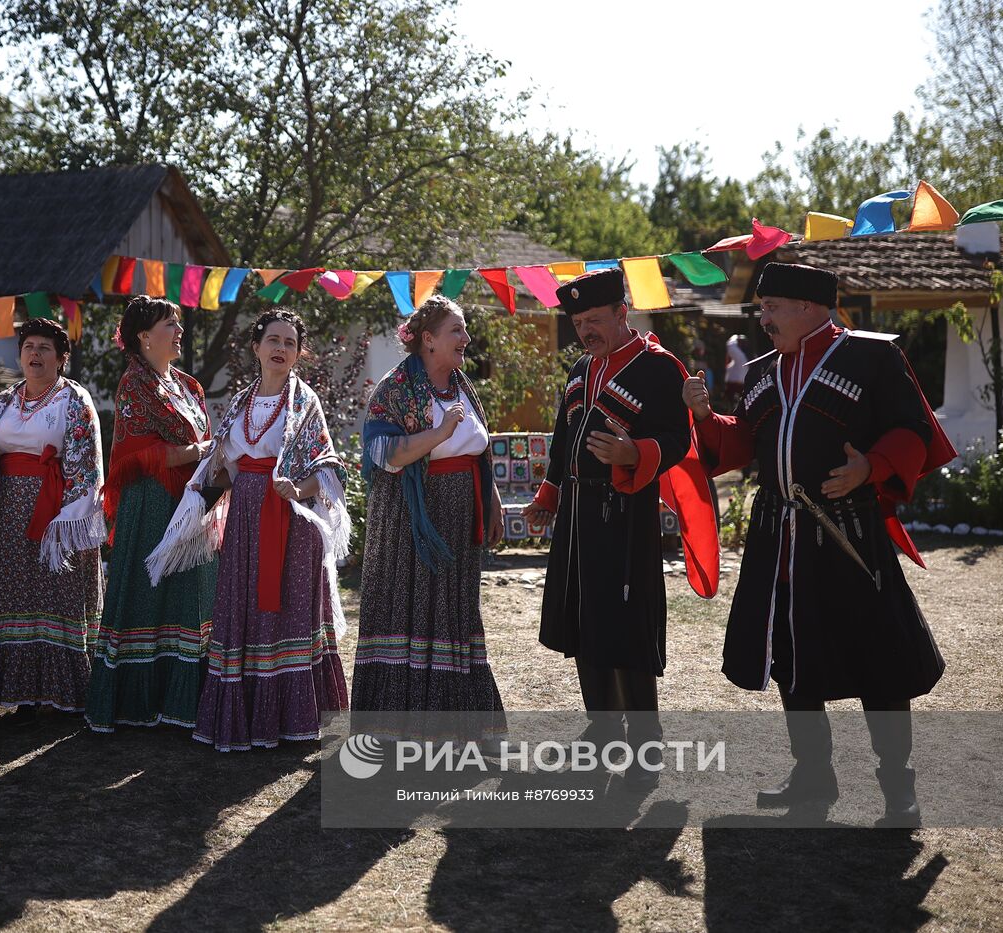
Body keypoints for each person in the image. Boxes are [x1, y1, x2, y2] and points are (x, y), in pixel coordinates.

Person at [683, 261, 954, 827]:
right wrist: (707, 416)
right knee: (790, 657)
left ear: (809, 308)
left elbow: (914, 430)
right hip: (778, 536)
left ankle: (898, 790)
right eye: (762, 309)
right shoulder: (763, 371)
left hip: (847, 533)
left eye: (772, 308)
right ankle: (812, 776)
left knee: (879, 659)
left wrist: (871, 469)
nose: (763, 319)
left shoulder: (872, 357)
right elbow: (740, 444)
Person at [525, 268, 719, 790]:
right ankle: (603, 731)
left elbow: (679, 437)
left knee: (626, 627)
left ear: (622, 312)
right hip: (577, 519)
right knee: (585, 625)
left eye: (594, 320)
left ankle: (644, 746)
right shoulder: (581, 368)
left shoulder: (659, 369)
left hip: (624, 514)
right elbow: (565, 437)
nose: (586, 330)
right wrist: (549, 494)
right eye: (578, 322)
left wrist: (637, 453)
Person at [148, 309, 350, 751]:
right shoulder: (239, 402)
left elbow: (329, 467)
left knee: (286, 612)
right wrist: (198, 490)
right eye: (273, 340)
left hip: (289, 522)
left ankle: (291, 719)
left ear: (298, 354)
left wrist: (296, 489)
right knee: (245, 610)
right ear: (255, 347)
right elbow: (222, 467)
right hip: (243, 521)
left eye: (290, 343)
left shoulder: (305, 402)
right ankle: (246, 717)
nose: (281, 349)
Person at [351, 296, 504, 726]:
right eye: (457, 330)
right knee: (413, 612)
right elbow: (383, 452)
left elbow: (477, 449)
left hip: (460, 513)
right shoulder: (396, 387)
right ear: (428, 340)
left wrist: (490, 501)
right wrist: (439, 433)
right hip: (410, 523)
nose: (466, 338)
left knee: (455, 614)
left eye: (464, 329)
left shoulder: (461, 386)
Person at [0, 317, 106, 718]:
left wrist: (67, 521)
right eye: (28, 347)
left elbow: (85, 463)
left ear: (61, 358)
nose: (35, 354)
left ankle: (58, 692)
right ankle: (17, 693)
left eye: (44, 348)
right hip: (6, 512)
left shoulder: (74, 399)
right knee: (10, 593)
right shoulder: (4, 400)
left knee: (54, 593)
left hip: (55, 511)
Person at [86, 296, 216, 732]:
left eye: (178, 324)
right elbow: (136, 452)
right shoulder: (134, 384)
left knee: (189, 594)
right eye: (169, 324)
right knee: (149, 591)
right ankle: (137, 699)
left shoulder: (188, 385)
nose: (179, 331)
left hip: (190, 501)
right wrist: (198, 452)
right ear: (144, 337)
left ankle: (184, 699)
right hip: (153, 503)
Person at [723, 334, 749, 404]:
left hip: (737, 387)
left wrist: (735, 336)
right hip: (734, 388)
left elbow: (730, 345)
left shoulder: (741, 358)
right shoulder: (737, 361)